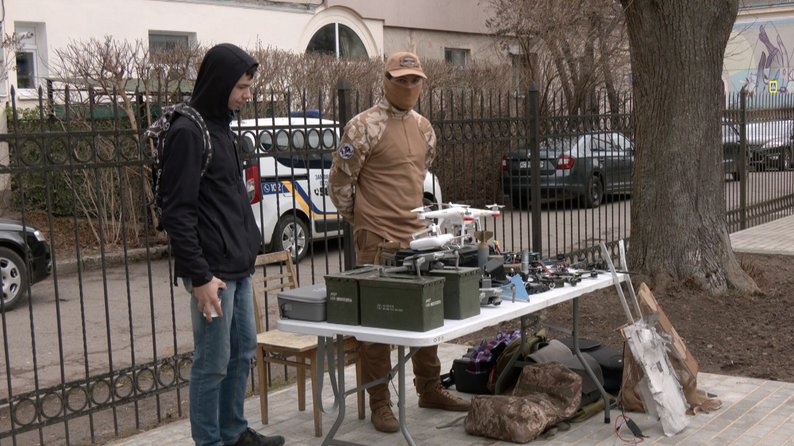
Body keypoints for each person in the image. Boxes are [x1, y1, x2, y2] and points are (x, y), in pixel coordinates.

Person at [328, 51, 471, 433]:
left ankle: (428, 388)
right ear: (387, 80)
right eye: (401, 79)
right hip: (377, 241)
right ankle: (379, 401)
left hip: (418, 240)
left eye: (415, 80)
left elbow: (422, 171)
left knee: (426, 316)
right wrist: (362, 220)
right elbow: (339, 182)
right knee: (378, 325)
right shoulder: (362, 127)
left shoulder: (425, 128)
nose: (409, 86)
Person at [159, 43, 285, 446]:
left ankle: (233, 432)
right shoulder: (187, 132)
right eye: (242, 86)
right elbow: (177, 213)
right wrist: (199, 277)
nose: (248, 94)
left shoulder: (221, 127)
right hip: (211, 273)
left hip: (238, 267)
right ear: (220, 83)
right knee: (212, 363)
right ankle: (210, 441)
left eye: (250, 86)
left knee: (243, 349)